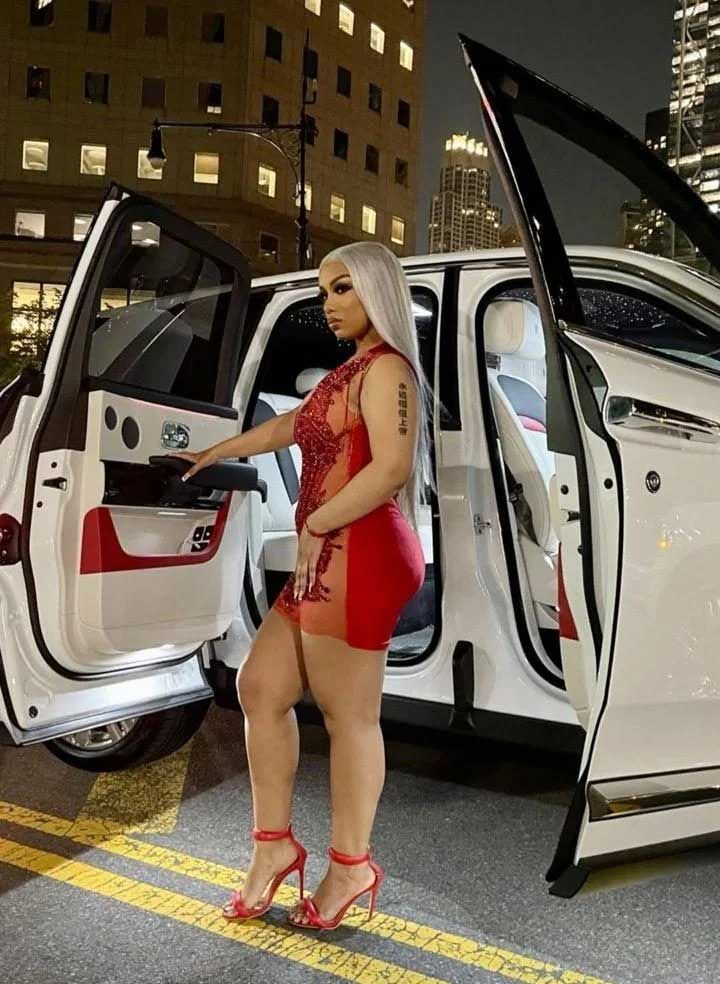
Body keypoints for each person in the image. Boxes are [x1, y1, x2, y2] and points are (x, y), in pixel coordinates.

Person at [177, 241, 435, 931]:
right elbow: (294, 426)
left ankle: (351, 865)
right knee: (259, 687)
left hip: (363, 551)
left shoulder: (389, 371)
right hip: (328, 551)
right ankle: (274, 849)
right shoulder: (347, 371)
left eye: (344, 288)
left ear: (377, 291)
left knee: (349, 716)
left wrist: (318, 518)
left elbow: (393, 468)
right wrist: (217, 451)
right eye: (326, 291)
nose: (330, 303)